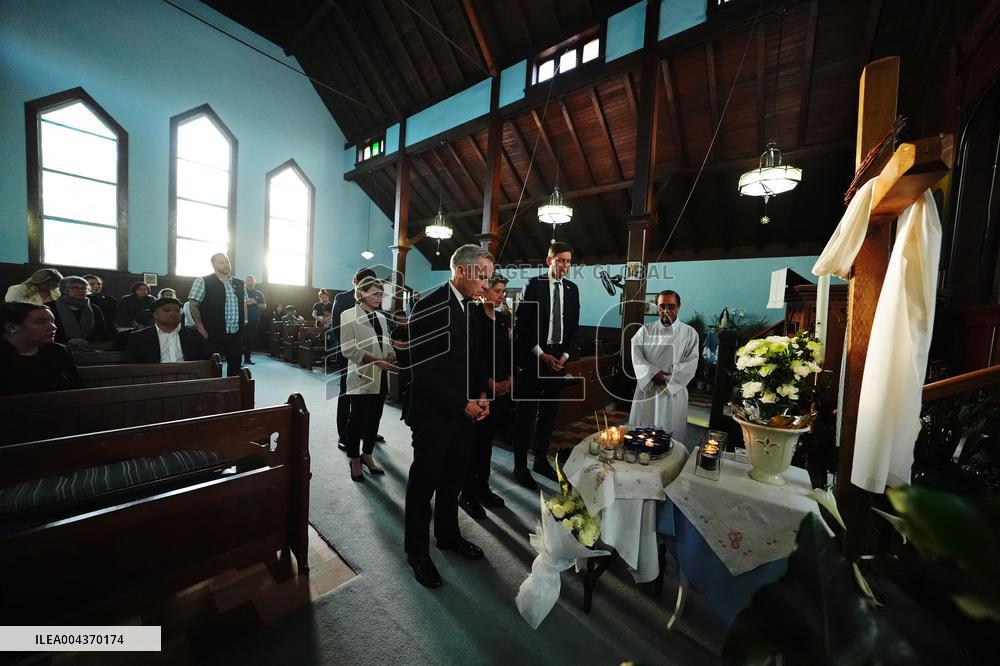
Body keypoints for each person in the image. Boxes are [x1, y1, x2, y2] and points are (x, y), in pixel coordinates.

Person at [404, 244, 492, 589]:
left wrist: (481, 394)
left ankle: (448, 535)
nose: (486, 284)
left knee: (453, 480)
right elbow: (424, 370)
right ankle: (416, 553)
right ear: (461, 271)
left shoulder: (471, 307)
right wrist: (461, 403)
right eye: (482, 276)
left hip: (464, 413)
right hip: (434, 414)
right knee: (423, 485)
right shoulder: (428, 306)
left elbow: (476, 358)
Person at [512, 241, 580, 489]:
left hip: (558, 359)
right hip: (534, 358)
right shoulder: (533, 285)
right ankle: (520, 466)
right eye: (561, 260)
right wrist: (541, 355)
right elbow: (521, 326)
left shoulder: (572, 289)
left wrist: (565, 355)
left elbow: (574, 327)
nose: (565, 265)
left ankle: (540, 460)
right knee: (526, 415)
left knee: (548, 415)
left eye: (569, 261)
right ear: (549, 260)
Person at [459, 274, 513, 519]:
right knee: (474, 443)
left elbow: (508, 352)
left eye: (503, 292)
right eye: (497, 291)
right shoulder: (474, 316)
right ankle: (467, 493)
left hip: (499, 389)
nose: (501, 296)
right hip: (479, 389)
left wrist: (509, 378)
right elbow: (475, 356)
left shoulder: (502, 318)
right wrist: (490, 384)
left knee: (487, 443)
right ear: (485, 291)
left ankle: (482, 487)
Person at [340, 278, 395, 482]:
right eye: (375, 293)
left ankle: (367, 454)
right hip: (362, 374)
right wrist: (376, 361)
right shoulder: (348, 315)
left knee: (374, 418)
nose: (379, 298)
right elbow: (348, 349)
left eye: (381, 294)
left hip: (381, 375)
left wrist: (390, 354)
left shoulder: (381, 317)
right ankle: (354, 459)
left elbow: (386, 341)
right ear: (362, 293)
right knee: (357, 419)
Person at [628, 290, 700, 445]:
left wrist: (667, 378)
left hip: (673, 391)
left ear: (679, 306)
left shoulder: (689, 333)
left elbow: (691, 363)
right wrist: (653, 373)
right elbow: (636, 356)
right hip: (648, 388)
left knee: (671, 437)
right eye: (662, 306)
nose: (666, 310)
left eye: (671, 306)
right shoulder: (645, 330)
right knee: (641, 434)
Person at [332, 268, 377, 451]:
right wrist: (355, 352)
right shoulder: (342, 298)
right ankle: (344, 435)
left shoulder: (375, 299)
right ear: (355, 281)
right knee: (347, 395)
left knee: (369, 394)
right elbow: (336, 328)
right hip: (349, 356)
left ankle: (367, 430)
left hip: (371, 356)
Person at [0, 302, 81, 395]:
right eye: (41, 322)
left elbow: (78, 388)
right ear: (11, 327)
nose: (53, 327)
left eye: (52, 321)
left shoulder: (59, 351)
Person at [187, 253, 247, 377]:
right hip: (212, 332)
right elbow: (193, 304)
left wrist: (245, 321)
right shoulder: (203, 281)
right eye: (221, 262)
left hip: (235, 332)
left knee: (235, 365)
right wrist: (200, 327)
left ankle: (232, 387)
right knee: (212, 367)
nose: (226, 264)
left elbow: (244, 303)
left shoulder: (239, 283)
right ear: (213, 265)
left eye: (227, 262)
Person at [123, 297, 212, 363]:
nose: (173, 313)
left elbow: (208, 359)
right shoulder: (139, 337)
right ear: (155, 315)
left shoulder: (193, 335)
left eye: (177, 311)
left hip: (190, 377)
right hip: (152, 379)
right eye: (167, 310)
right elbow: (130, 366)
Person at [48, 276, 106, 349]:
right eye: (75, 287)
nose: (80, 291)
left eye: (83, 288)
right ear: (64, 290)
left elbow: (100, 331)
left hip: (89, 347)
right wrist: (68, 341)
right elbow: (46, 329)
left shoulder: (94, 309)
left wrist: (87, 341)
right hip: (58, 347)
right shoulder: (51, 307)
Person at [390, 309, 412, 422]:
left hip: (412, 360)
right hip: (403, 361)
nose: (404, 321)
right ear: (396, 321)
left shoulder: (410, 329)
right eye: (401, 319)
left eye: (405, 318)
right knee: (405, 384)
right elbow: (401, 346)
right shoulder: (395, 333)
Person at [84, 274, 118, 341]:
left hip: (109, 333)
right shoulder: (81, 300)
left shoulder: (110, 299)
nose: (97, 286)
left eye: (99, 284)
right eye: (92, 284)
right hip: (88, 334)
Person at [243, 275, 266, 365]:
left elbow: (264, 306)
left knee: (250, 339)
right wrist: (246, 302)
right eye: (248, 281)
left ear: (254, 282)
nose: (250, 282)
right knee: (241, 339)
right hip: (242, 319)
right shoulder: (242, 292)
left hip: (254, 319)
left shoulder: (259, 293)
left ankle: (247, 359)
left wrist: (255, 303)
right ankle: (236, 359)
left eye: (252, 281)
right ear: (245, 282)